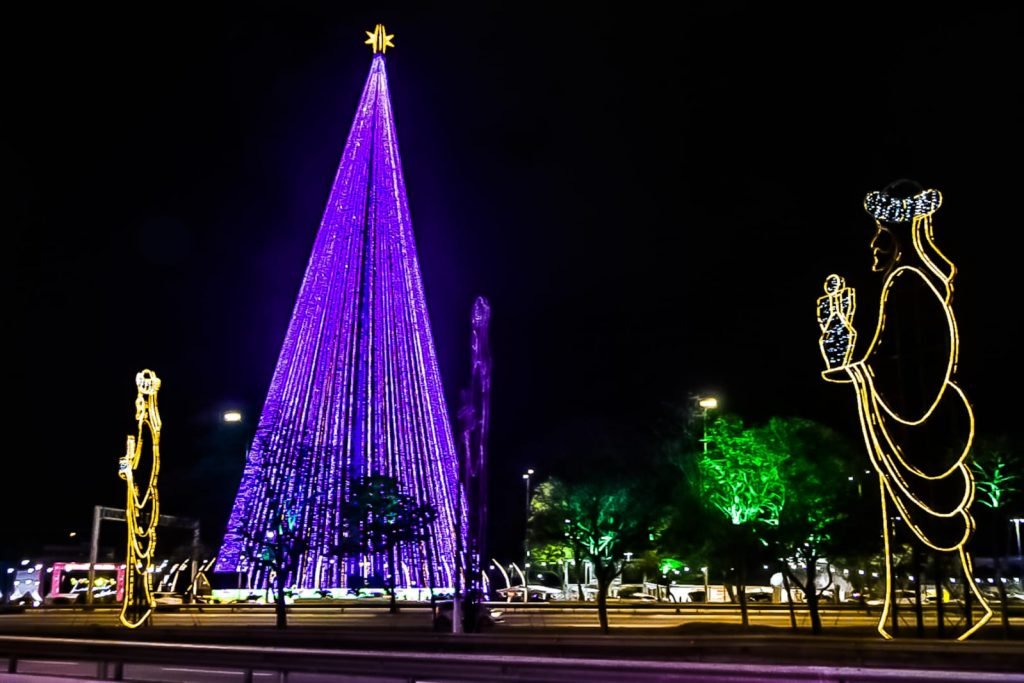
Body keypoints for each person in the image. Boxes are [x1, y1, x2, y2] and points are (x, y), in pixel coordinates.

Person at [820, 179, 992, 640]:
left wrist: (850, 365)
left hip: (921, 434)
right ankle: (936, 611)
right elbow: (887, 360)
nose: (874, 243)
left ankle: (947, 614)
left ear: (902, 232)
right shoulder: (909, 284)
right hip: (919, 432)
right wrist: (844, 353)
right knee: (911, 526)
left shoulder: (907, 282)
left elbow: (913, 367)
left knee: (921, 520)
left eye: (881, 231)